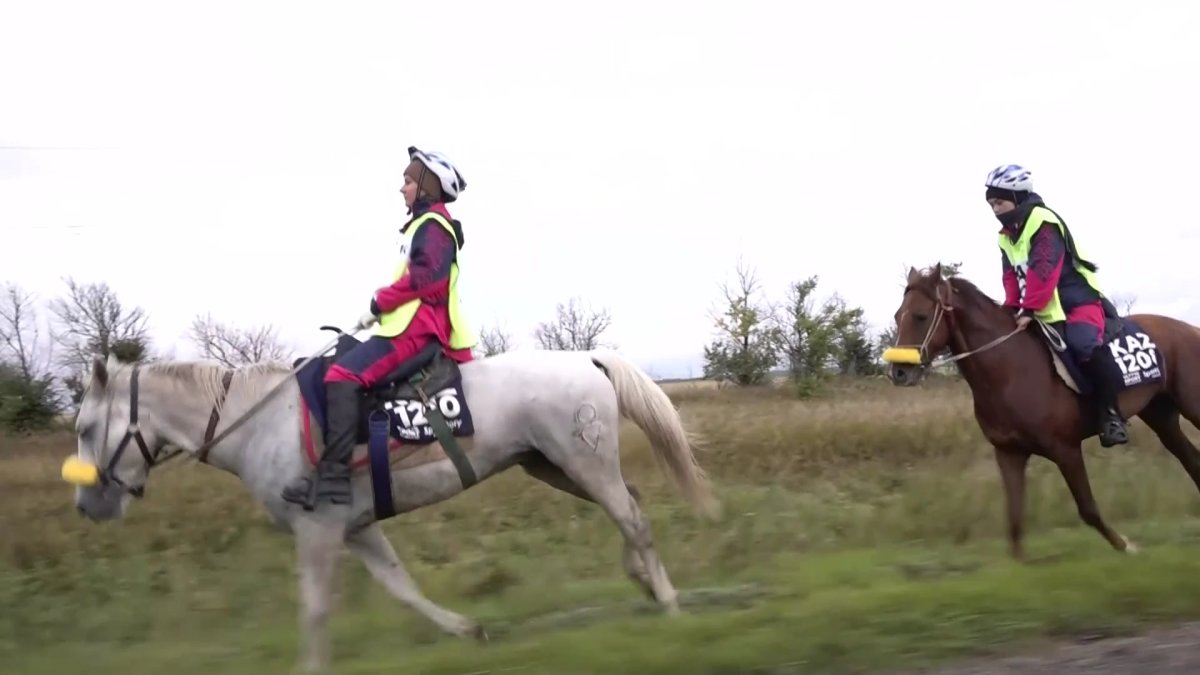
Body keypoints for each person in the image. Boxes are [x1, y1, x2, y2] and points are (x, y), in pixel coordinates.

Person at [282, 146, 479, 510]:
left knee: (341, 377)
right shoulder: (422, 226)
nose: (401, 188)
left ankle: (334, 480)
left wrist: (380, 301)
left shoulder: (434, 226)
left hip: (416, 332)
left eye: (407, 181)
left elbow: (426, 280)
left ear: (426, 187)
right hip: (403, 327)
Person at [985, 163, 1128, 447]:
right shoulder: (1006, 235)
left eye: (999, 202)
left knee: (1084, 345)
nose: (995, 210)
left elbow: (1043, 269)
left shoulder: (1043, 220)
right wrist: (1011, 307)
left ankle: (1112, 415)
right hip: (1042, 307)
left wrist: (1028, 309)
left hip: (1078, 302)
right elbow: (1011, 275)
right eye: (991, 204)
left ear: (1016, 197)